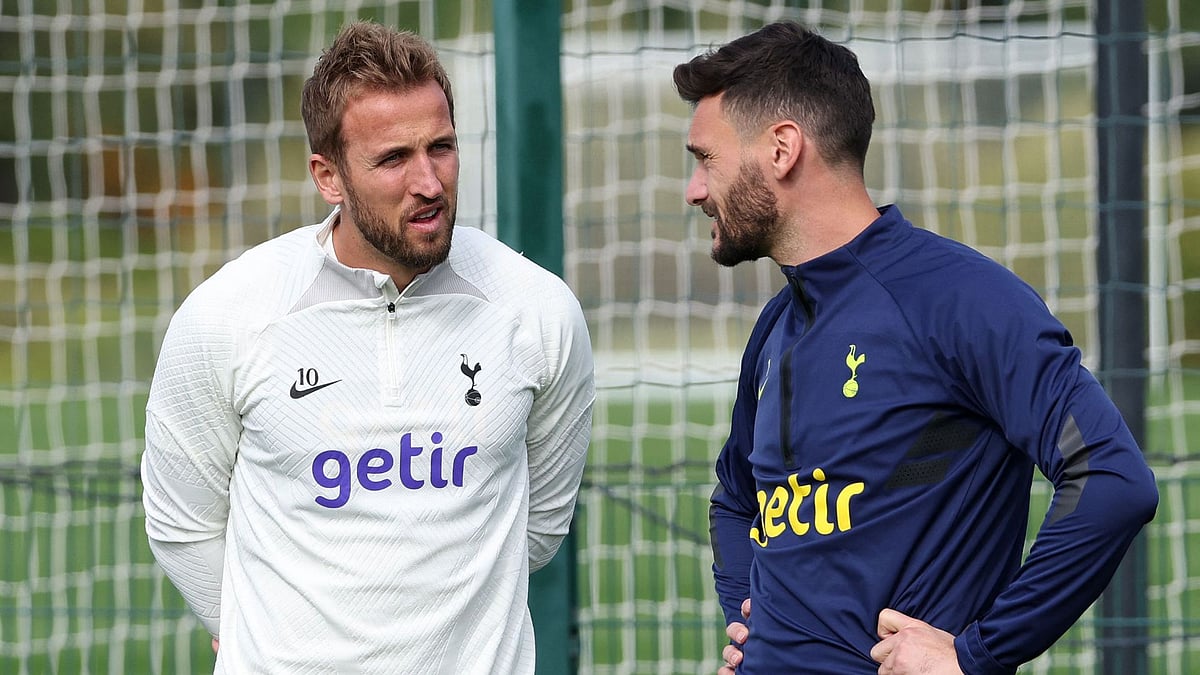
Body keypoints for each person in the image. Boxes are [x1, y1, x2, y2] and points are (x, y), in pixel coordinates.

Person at [673, 21, 1158, 675]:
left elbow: (1111, 478)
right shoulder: (777, 323)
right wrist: (746, 617)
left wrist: (976, 654)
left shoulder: (961, 301)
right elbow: (736, 498)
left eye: (706, 158)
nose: (695, 189)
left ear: (783, 149)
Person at [140, 21, 594, 674]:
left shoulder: (538, 312)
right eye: (393, 158)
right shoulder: (228, 316)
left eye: (441, 147)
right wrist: (249, 631)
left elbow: (540, 524)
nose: (429, 182)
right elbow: (182, 526)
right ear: (328, 176)